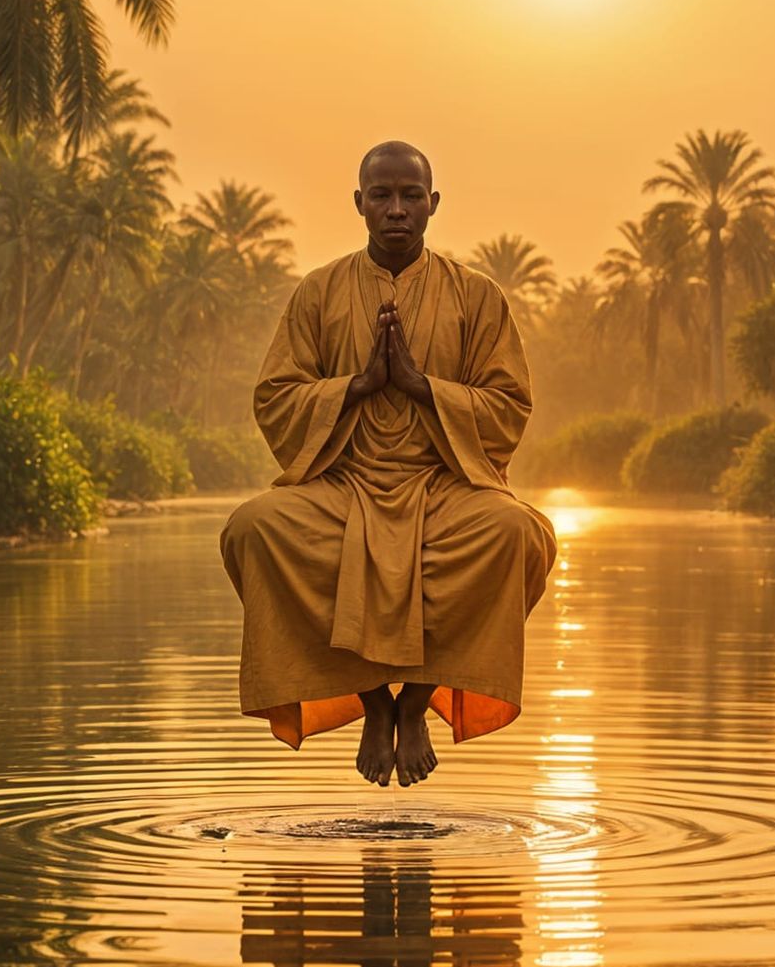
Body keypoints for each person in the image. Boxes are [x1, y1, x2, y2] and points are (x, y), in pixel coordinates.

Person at [219, 140, 557, 787]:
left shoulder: (479, 298)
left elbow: (510, 403)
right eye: (382, 196)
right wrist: (358, 384)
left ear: (433, 204)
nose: (396, 210)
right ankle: (377, 705)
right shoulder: (317, 294)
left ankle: (417, 702)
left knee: (520, 536)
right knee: (252, 530)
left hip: (446, 485)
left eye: (410, 196)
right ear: (359, 204)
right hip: (341, 485)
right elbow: (275, 396)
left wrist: (422, 384)